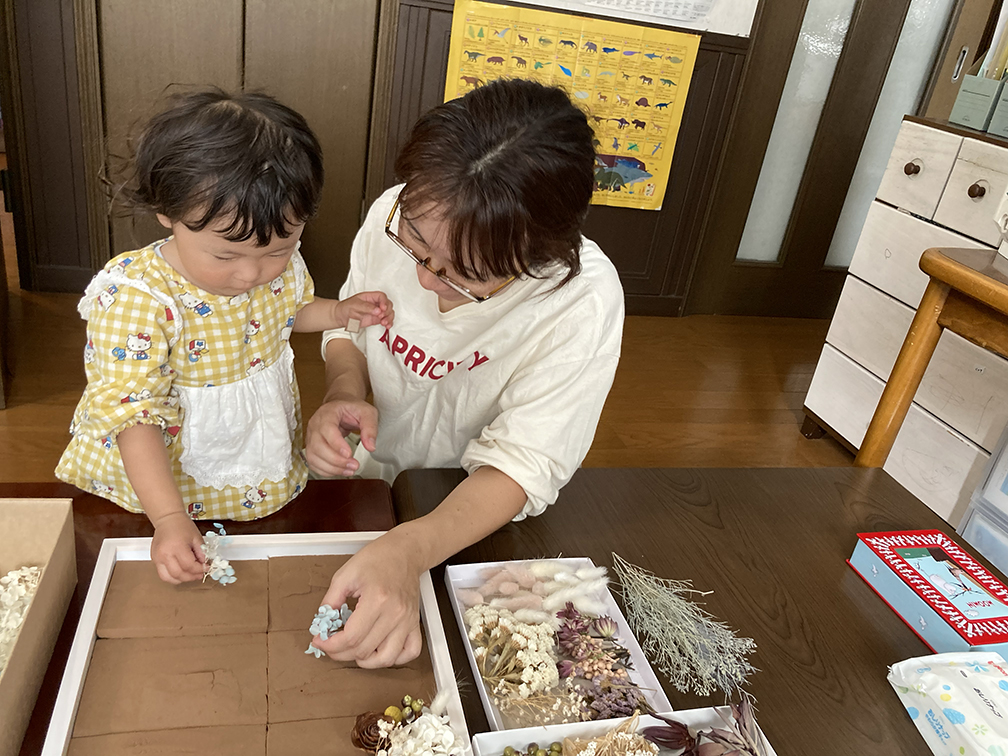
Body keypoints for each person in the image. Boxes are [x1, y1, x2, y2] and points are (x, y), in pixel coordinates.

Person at [305, 78, 625, 667]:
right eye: (415, 244)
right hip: (365, 484)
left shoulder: (580, 301)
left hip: (467, 514)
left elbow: (522, 463)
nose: (425, 279)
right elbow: (350, 324)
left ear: (541, 256)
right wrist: (343, 391)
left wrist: (410, 550)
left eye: (466, 274)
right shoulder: (397, 210)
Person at [56, 89, 393, 585]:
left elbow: (287, 312)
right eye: (225, 256)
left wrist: (336, 312)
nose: (252, 274)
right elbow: (134, 417)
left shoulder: (273, 263)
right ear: (167, 212)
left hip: (254, 459)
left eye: (279, 250)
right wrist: (168, 519)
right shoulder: (136, 297)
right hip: (160, 487)